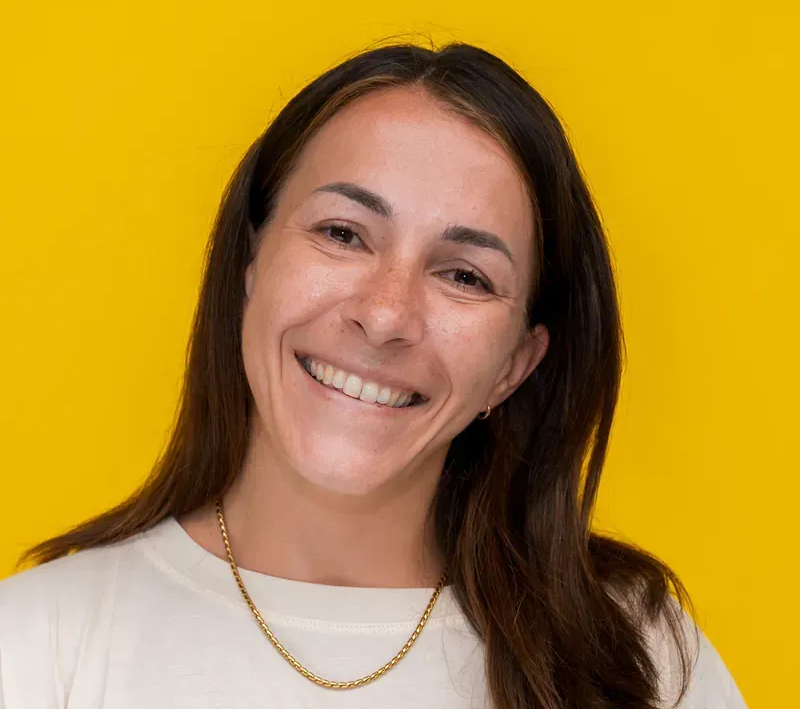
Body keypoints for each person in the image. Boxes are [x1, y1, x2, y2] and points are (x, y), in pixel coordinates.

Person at [0, 43, 747, 708]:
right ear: (251, 263)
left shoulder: (639, 654)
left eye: (463, 275)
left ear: (514, 368)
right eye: (343, 234)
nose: (386, 315)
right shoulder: (38, 644)